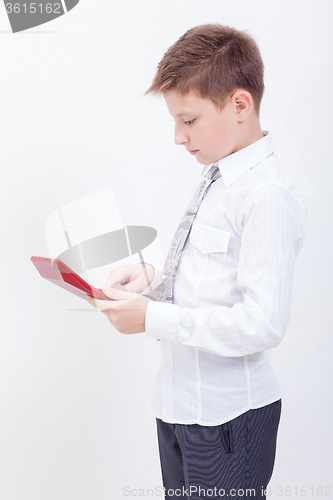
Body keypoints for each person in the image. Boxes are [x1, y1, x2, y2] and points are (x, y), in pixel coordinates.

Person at [86, 24, 307, 500]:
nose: (177, 138)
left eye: (188, 121)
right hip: (180, 405)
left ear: (240, 105)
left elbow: (263, 324)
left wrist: (152, 318)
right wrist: (151, 281)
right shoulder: (220, 175)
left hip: (227, 419)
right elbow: (212, 276)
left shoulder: (265, 194)